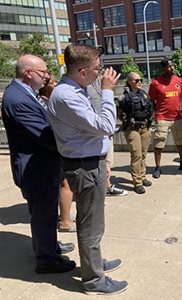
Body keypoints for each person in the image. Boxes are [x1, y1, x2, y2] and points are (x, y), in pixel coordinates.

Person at [47, 44, 128, 295]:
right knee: (90, 224)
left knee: (92, 222)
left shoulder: (76, 89)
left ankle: (93, 264)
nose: (101, 73)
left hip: (90, 163)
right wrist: (106, 91)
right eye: (97, 68)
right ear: (82, 72)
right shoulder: (67, 95)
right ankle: (93, 279)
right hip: (84, 167)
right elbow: (105, 125)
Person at [1, 54, 76, 273]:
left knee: (44, 214)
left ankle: (49, 247)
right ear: (28, 73)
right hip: (37, 169)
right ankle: (47, 260)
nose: (47, 76)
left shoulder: (22, 92)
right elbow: (46, 137)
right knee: (44, 215)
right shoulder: (18, 99)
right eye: (43, 72)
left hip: (38, 167)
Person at [39, 75, 76, 232]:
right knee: (65, 184)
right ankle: (66, 222)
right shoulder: (44, 103)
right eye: (53, 83)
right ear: (45, 86)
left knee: (63, 184)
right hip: (55, 149)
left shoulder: (48, 101)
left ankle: (64, 215)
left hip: (57, 148)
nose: (56, 85)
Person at [148, 59, 182, 178]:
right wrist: (156, 113)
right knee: (159, 143)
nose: (172, 68)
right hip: (162, 117)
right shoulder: (155, 83)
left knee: (180, 140)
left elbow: (179, 97)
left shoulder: (178, 80)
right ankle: (158, 167)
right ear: (163, 68)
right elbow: (151, 100)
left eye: (172, 66)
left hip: (177, 116)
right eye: (169, 66)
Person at [87, 80, 128, 197]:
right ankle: (100, 190)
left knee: (108, 163)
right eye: (97, 68)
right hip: (95, 131)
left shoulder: (101, 85)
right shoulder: (84, 87)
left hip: (107, 131)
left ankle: (107, 187)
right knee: (100, 164)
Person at [118, 72, 153, 193]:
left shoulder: (143, 94)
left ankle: (142, 176)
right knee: (136, 155)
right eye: (136, 80)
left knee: (143, 153)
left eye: (140, 80)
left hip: (144, 127)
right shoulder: (125, 97)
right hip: (132, 129)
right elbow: (120, 113)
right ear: (130, 82)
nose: (139, 82)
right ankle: (137, 181)